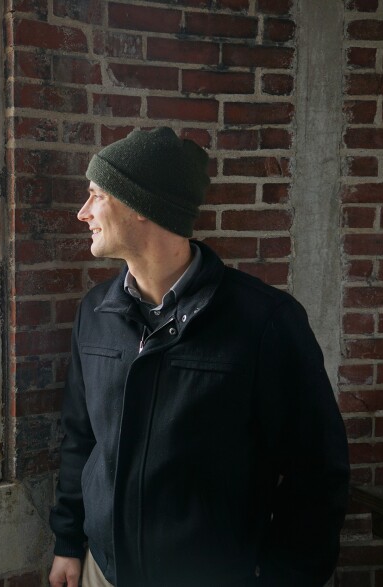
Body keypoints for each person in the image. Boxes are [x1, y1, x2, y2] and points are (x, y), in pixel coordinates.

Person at [48, 127, 350, 587]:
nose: (82, 212)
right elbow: (80, 439)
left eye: (96, 195)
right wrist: (69, 543)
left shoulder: (265, 322)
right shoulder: (95, 312)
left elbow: (317, 470)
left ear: (139, 206)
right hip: (101, 572)